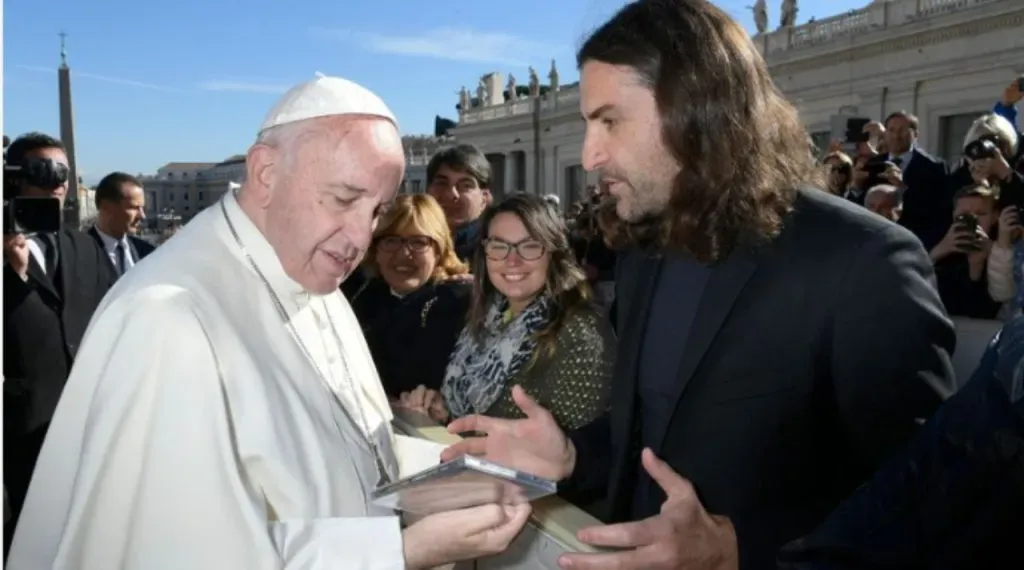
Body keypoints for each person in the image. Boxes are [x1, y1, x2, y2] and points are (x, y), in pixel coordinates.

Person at [440, 1, 955, 569]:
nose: (589, 155)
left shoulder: (864, 262)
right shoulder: (643, 251)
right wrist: (571, 455)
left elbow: (929, 501)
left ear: (695, 111)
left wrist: (737, 547)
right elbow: (648, 431)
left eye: (609, 121)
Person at [7, 74, 530, 570]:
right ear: (264, 173)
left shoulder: (310, 275)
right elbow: (176, 554)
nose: (359, 237)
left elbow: (353, 448)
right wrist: (397, 551)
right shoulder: (169, 318)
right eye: (344, 198)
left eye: (376, 212)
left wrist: (459, 468)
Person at [2, 132, 116, 553]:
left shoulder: (85, 247)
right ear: (13, 178)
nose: (56, 181)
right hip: (21, 432)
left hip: (87, 426)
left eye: (63, 172)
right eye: (42, 171)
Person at [89, 171, 155, 278]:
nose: (142, 216)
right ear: (106, 207)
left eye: (142, 208)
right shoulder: (78, 254)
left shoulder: (147, 252)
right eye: (134, 208)